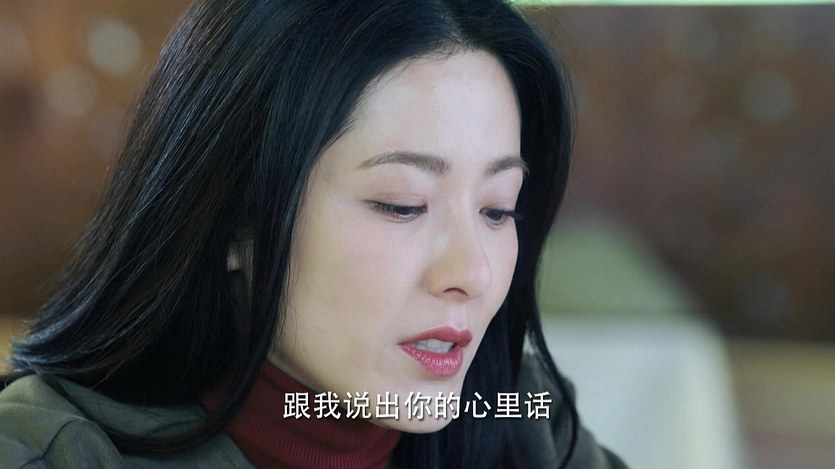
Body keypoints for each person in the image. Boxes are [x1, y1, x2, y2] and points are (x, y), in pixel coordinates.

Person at [0, 1, 626, 467]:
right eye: (403, 205)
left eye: (497, 210)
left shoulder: (521, 421)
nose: (473, 272)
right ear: (234, 220)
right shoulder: (50, 452)